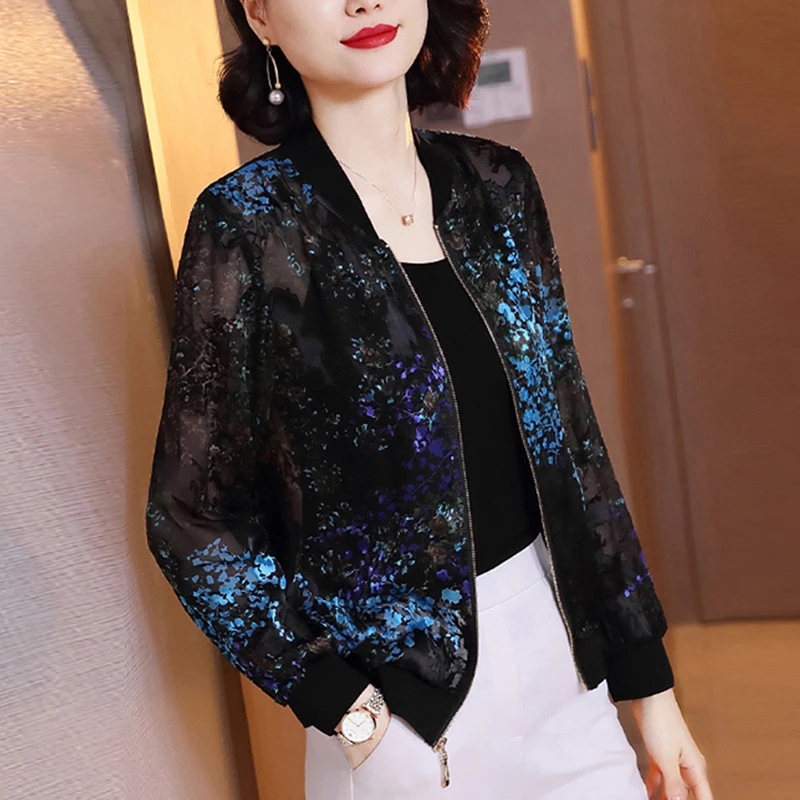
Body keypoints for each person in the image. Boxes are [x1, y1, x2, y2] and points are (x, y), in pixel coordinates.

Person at [144, 0, 713, 798]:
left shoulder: (499, 186)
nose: (364, 1)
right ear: (262, 16)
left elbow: (573, 444)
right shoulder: (249, 225)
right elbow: (190, 514)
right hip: (406, 721)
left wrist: (649, 685)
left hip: (564, 668)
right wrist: (343, 705)